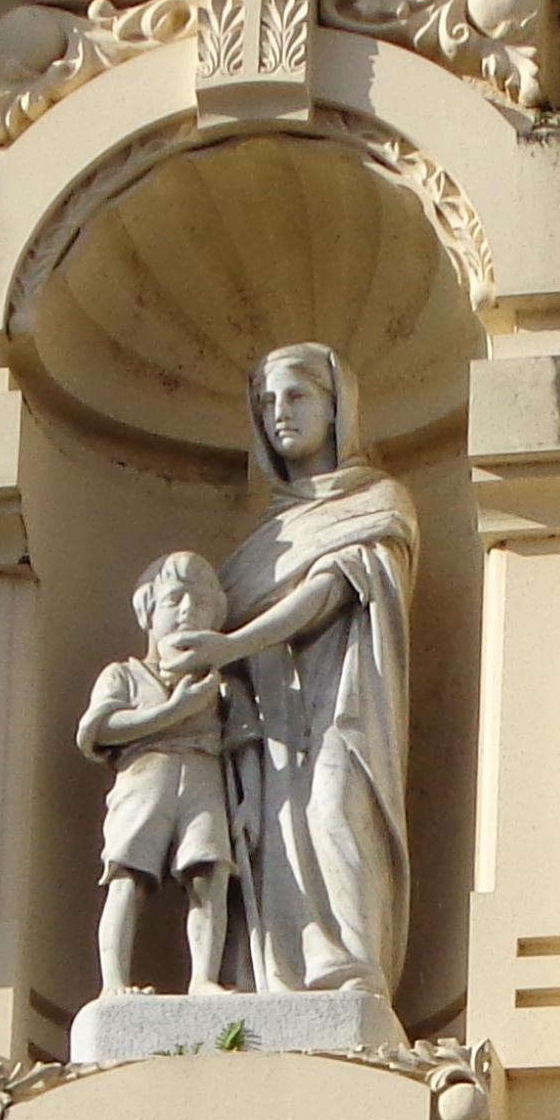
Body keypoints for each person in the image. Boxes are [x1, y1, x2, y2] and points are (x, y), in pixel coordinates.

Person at [172, 342, 416, 1012]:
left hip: (344, 707)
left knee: (335, 806)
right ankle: (272, 978)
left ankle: (350, 968)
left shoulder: (376, 501)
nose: (281, 413)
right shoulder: (267, 540)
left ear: (339, 408)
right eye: (268, 401)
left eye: (298, 395)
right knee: (271, 827)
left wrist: (228, 643)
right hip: (269, 722)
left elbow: (329, 595)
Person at [79, 551, 241, 999]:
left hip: (203, 771)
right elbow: (100, 730)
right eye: (175, 600)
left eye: (201, 603)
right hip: (145, 774)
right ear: (148, 612)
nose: (188, 611)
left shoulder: (220, 682)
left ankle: (203, 977)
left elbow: (245, 741)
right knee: (128, 876)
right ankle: (114, 983)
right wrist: (173, 712)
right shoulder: (125, 675)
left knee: (210, 874)